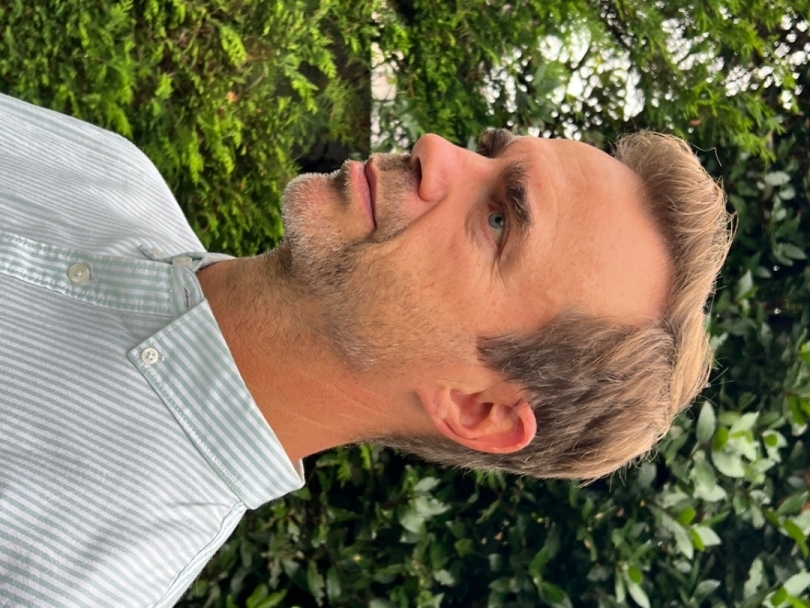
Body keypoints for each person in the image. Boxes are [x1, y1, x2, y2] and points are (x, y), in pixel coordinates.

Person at [0, 93, 732, 606]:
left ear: (477, 409)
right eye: (487, 153)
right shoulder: (109, 173)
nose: (435, 149)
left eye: (500, 220)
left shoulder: (69, 582)